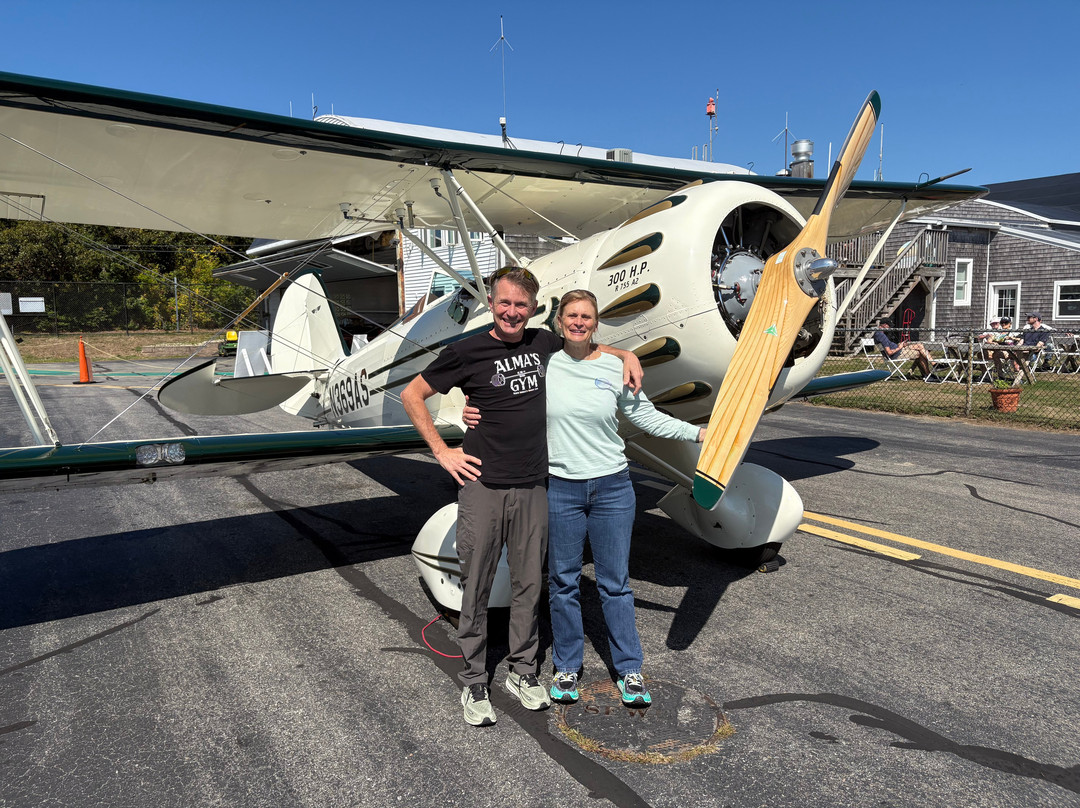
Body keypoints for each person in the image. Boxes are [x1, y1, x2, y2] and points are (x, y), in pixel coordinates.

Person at [401, 268, 643, 728]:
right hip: (483, 485)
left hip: (534, 484)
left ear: (534, 309)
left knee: (529, 584)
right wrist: (442, 451)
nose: (512, 312)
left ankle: (523, 671)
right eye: (504, 303)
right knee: (476, 583)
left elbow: (586, 347)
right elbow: (414, 394)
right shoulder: (466, 350)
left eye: (522, 305)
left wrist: (625, 353)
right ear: (491, 303)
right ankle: (474, 679)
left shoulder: (544, 344)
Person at [466, 290, 704, 708]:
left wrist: (700, 433)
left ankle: (629, 669)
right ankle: (567, 667)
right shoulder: (545, 362)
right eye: (571, 316)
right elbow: (501, 383)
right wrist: (472, 405)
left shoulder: (615, 367)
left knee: (615, 584)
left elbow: (646, 417)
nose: (578, 322)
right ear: (559, 322)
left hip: (613, 487)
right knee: (563, 584)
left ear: (596, 323)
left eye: (587, 316)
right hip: (560, 488)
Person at [872, 319, 942, 381]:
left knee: (919, 346)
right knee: (920, 352)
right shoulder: (881, 335)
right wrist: (900, 347)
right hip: (896, 354)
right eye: (889, 326)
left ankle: (932, 367)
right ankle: (930, 372)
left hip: (899, 349)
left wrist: (901, 345)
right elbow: (889, 352)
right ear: (884, 325)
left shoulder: (878, 333)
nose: (890, 328)